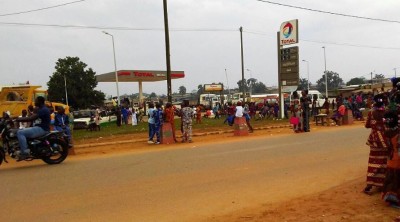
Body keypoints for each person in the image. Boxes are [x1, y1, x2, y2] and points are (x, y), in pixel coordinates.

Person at [363, 94, 389, 194]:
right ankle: (382, 184)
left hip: (374, 141)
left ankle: (369, 185)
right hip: (385, 140)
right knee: (384, 162)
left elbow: (367, 125)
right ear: (383, 102)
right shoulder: (387, 112)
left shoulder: (371, 113)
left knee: (373, 162)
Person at [15, 96, 50, 161]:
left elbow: (31, 118)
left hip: (42, 129)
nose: (35, 102)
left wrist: (18, 119)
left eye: (36, 100)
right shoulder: (40, 109)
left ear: (40, 102)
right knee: (21, 130)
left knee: (20, 132)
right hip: (39, 127)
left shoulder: (43, 110)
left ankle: (25, 152)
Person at [381, 110, 400, 206]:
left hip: (391, 157)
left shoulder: (386, 132)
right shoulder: (398, 132)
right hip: (397, 157)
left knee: (391, 178)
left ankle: (389, 198)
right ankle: (396, 199)